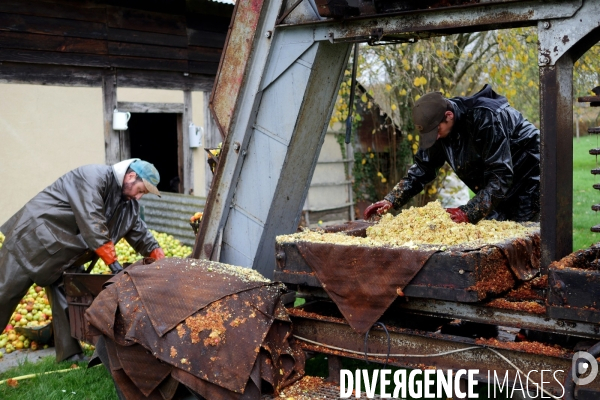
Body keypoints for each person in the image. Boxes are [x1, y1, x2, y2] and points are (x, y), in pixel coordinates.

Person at [0, 158, 166, 362]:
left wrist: (161, 261)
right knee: (4, 294)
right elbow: (92, 220)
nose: (139, 197)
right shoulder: (91, 176)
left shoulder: (128, 204)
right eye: (141, 190)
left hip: (62, 254)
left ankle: (70, 354)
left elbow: (141, 234)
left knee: (67, 297)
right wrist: (113, 265)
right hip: (30, 241)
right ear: (130, 177)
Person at [364, 84, 540, 223]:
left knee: (520, 231)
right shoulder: (438, 130)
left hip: (528, 175)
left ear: (449, 115)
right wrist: (392, 199)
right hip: (494, 182)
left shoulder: (486, 118)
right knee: (494, 226)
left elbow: (501, 175)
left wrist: (469, 211)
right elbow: (423, 168)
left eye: (436, 131)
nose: (435, 136)